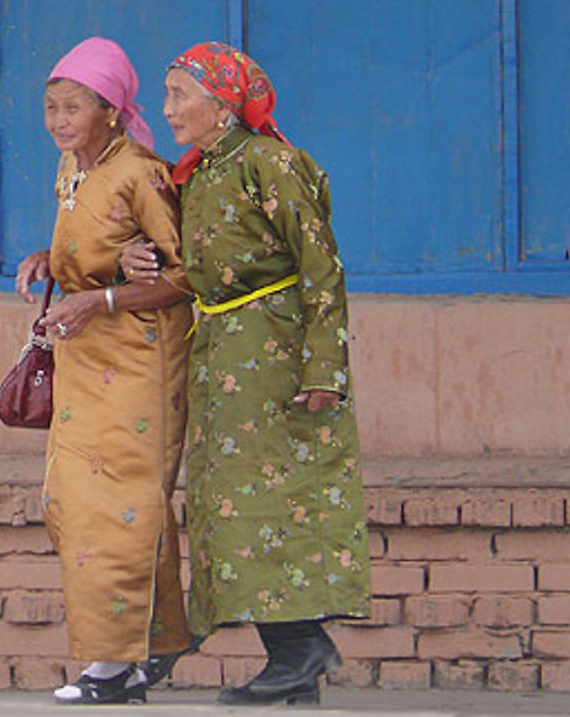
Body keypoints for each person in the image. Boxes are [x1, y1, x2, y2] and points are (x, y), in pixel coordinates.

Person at [121, 42, 371, 706]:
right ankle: (296, 660)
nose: (168, 109)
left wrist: (326, 367)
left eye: (180, 94)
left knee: (281, 503)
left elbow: (322, 269)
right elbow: (175, 255)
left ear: (223, 104)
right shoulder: (196, 174)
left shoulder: (272, 165)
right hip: (222, 356)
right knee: (228, 509)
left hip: (279, 357)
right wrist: (132, 257)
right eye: (168, 94)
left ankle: (297, 650)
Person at [14, 37, 195, 705]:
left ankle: (112, 666)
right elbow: (89, 252)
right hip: (84, 355)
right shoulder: (72, 168)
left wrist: (107, 296)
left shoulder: (142, 174)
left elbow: (184, 276)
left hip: (139, 358)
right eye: (51, 107)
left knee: (117, 508)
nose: (59, 121)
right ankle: (158, 642)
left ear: (112, 112)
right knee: (69, 499)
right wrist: (46, 260)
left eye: (73, 108)